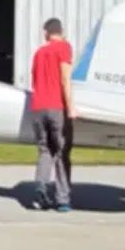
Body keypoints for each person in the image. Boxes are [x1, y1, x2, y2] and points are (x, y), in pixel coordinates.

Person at [29, 17, 76, 212]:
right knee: (62, 152)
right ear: (61, 31)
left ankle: (41, 190)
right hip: (57, 107)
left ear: (46, 33)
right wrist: (71, 107)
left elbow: (35, 81)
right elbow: (65, 79)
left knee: (44, 150)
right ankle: (63, 199)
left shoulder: (39, 53)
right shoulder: (64, 48)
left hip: (38, 107)